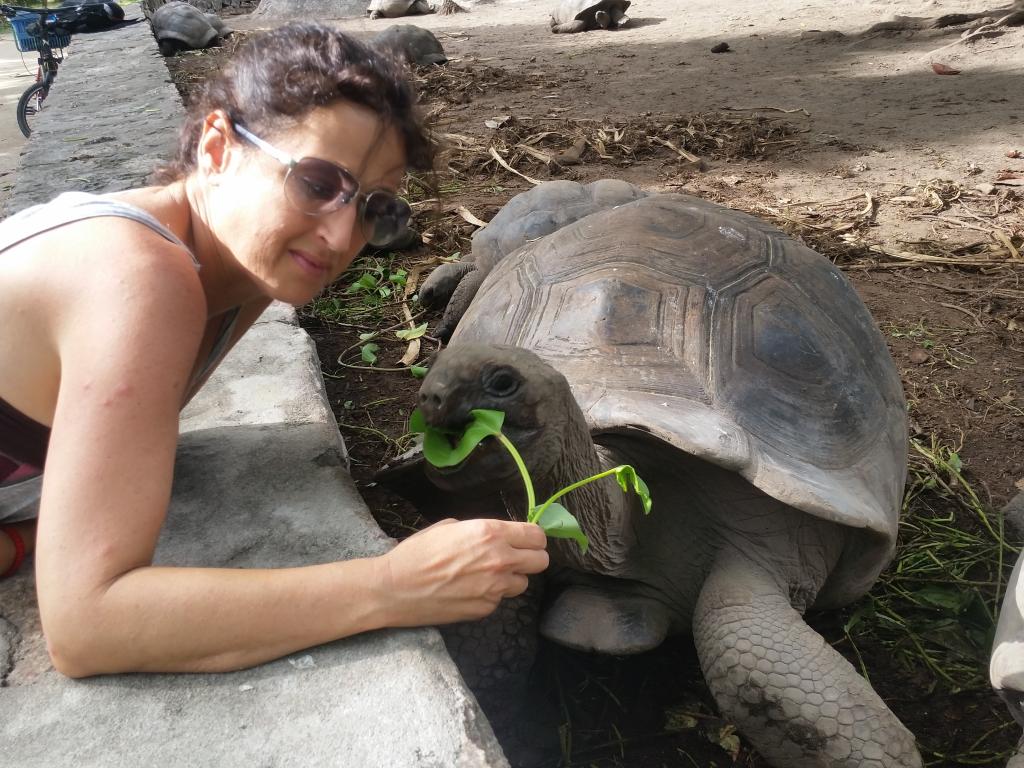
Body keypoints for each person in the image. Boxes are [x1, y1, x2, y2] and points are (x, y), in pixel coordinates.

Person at [0, 23, 548, 677]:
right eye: (317, 183)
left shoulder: (243, 272)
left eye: (373, 207)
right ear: (217, 145)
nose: (343, 234)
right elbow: (88, 626)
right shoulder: (141, 275)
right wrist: (391, 587)